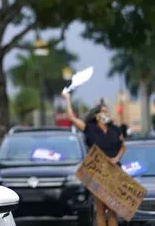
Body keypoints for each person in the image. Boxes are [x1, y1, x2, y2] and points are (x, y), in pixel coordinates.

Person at [62, 92, 126, 226]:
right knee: (100, 209)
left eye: (106, 112)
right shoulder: (89, 129)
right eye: (102, 112)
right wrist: (67, 98)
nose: (105, 114)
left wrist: (115, 159)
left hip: (114, 170)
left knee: (113, 209)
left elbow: (123, 147)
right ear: (96, 115)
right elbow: (71, 118)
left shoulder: (115, 129)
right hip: (97, 171)